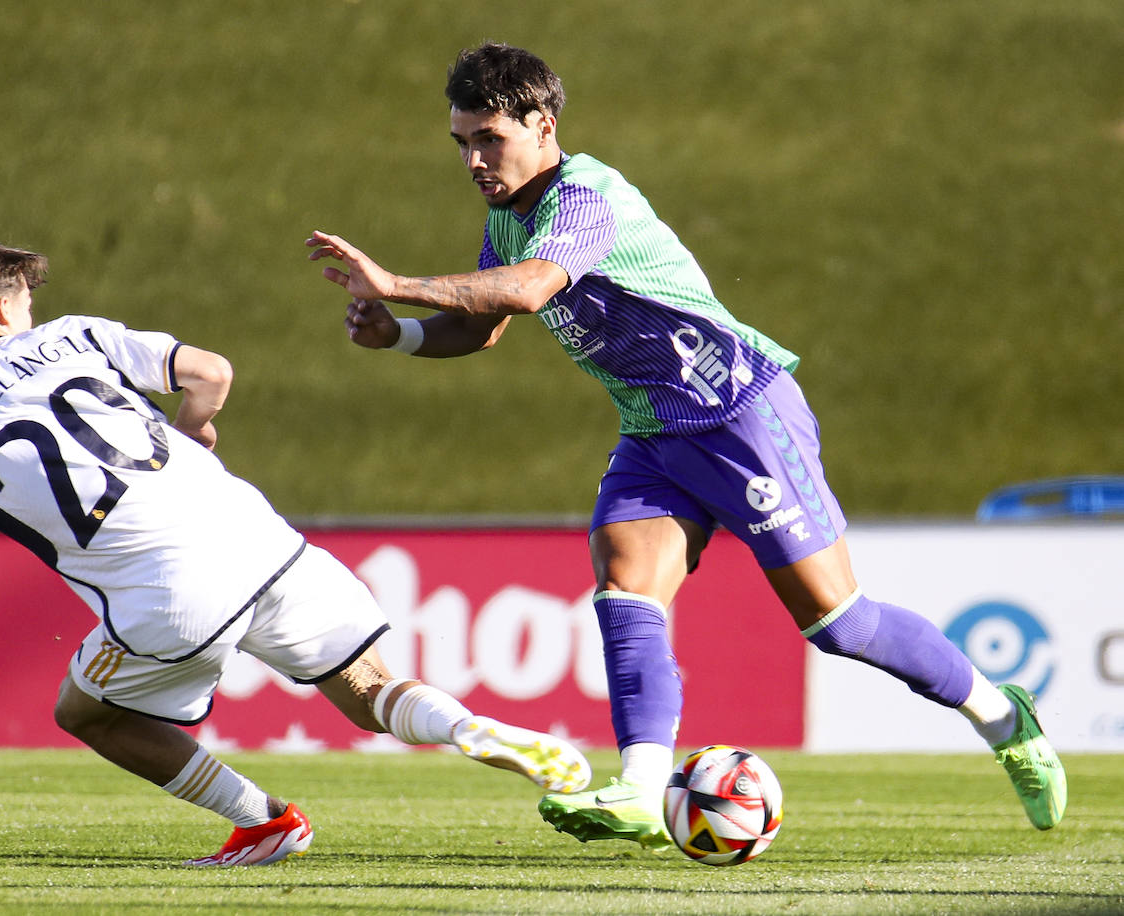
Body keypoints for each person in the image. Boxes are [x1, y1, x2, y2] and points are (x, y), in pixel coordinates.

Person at [306, 42, 1066, 849]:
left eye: (489, 138)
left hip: (740, 414)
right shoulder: (507, 213)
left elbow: (527, 291)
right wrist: (399, 336)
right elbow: (481, 326)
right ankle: (639, 789)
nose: (474, 158)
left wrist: (396, 283)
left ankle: (997, 710)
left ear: (543, 123)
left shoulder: (586, 194)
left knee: (837, 622)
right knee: (625, 587)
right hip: (654, 432)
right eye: (462, 142)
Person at [0, 237, 591, 867]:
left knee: (84, 712)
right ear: (1, 307)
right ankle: (472, 728)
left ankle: (262, 822)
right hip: (258, 535)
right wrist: (189, 432)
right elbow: (209, 372)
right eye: (27, 300)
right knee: (370, 691)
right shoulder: (74, 337)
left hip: (167, 593)